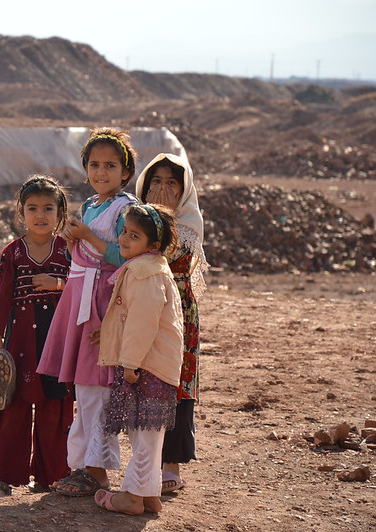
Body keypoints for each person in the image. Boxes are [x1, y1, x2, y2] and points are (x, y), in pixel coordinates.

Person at [37, 128, 139, 496]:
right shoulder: (91, 206)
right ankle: (83, 466)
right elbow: (82, 258)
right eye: (94, 164)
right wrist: (72, 242)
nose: (101, 172)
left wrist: (88, 238)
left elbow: (124, 256)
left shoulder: (126, 208)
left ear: (125, 172)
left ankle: (96, 470)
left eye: (110, 165)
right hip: (80, 298)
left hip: (101, 303)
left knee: (97, 388)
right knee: (84, 388)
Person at [0, 175, 74, 497]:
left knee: (55, 408)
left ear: (60, 212)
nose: (40, 215)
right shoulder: (13, 253)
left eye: (48, 208)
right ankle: (3, 478)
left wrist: (58, 284)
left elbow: (85, 289)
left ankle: (52, 477)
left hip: (58, 342)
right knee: (12, 405)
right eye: (32, 208)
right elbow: (2, 296)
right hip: (19, 344)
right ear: (21, 212)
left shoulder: (70, 250)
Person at [93, 203, 184, 515]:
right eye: (123, 232)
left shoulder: (145, 274)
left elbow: (142, 322)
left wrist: (130, 361)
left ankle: (133, 496)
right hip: (153, 362)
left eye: (134, 235)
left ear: (153, 245)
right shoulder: (150, 268)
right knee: (147, 428)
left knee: (144, 431)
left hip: (146, 364)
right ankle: (148, 493)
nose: (124, 239)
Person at [135, 153, 209, 494]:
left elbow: (165, 257)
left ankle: (172, 462)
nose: (162, 188)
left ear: (184, 190)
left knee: (176, 382)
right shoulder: (134, 220)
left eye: (171, 183)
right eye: (155, 182)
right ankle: (144, 463)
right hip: (139, 307)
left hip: (177, 313)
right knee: (141, 378)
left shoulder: (187, 224)